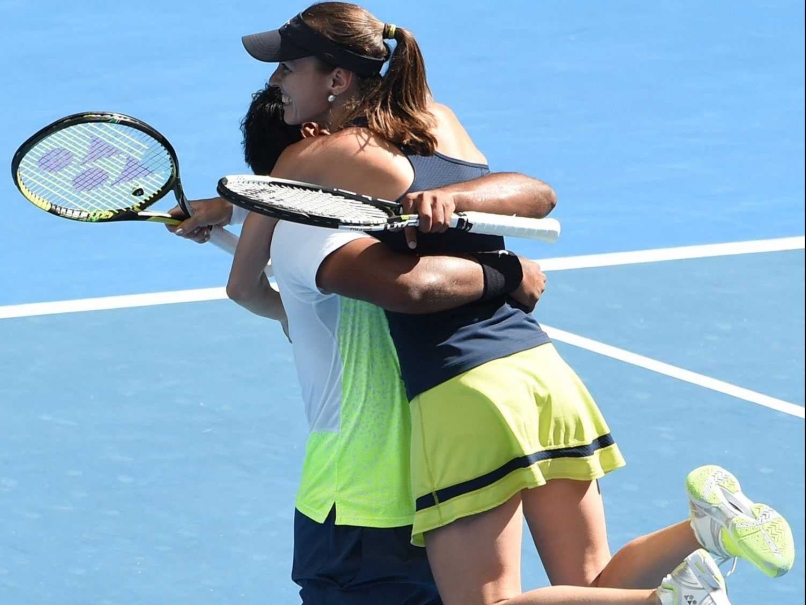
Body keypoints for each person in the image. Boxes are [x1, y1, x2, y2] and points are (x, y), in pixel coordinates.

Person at [224, 4, 795, 605]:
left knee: (489, 602)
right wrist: (478, 234)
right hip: (540, 371)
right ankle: (709, 525)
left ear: (337, 79)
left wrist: (232, 214)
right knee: (588, 585)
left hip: (462, 392)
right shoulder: (439, 120)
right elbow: (537, 192)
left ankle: (666, 602)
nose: (275, 81)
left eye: (288, 68)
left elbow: (253, 260)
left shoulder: (304, 158)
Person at [171, 83, 553, 604]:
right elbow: (411, 269)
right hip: (437, 486)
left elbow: (249, 288)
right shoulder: (394, 244)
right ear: (315, 140)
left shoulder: (318, 250)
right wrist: (508, 270)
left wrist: (245, 224)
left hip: (356, 504)